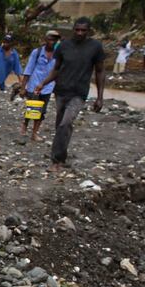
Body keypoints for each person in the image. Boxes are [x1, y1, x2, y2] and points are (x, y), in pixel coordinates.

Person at [32, 17, 105, 172]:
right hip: (61, 90)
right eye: (77, 30)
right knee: (60, 125)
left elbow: (99, 71)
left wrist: (100, 97)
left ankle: (56, 160)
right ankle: (62, 155)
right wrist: (43, 83)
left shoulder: (95, 47)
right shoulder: (63, 46)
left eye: (83, 30)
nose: (80, 33)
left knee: (66, 123)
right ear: (73, 29)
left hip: (79, 93)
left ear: (88, 31)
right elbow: (56, 69)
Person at [19, 30, 60, 141]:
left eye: (55, 40)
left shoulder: (58, 54)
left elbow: (58, 71)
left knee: (42, 111)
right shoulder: (36, 52)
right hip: (34, 85)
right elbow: (28, 70)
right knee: (32, 108)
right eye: (50, 39)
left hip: (48, 87)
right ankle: (25, 123)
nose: (52, 42)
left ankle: (34, 133)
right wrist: (23, 87)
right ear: (45, 39)